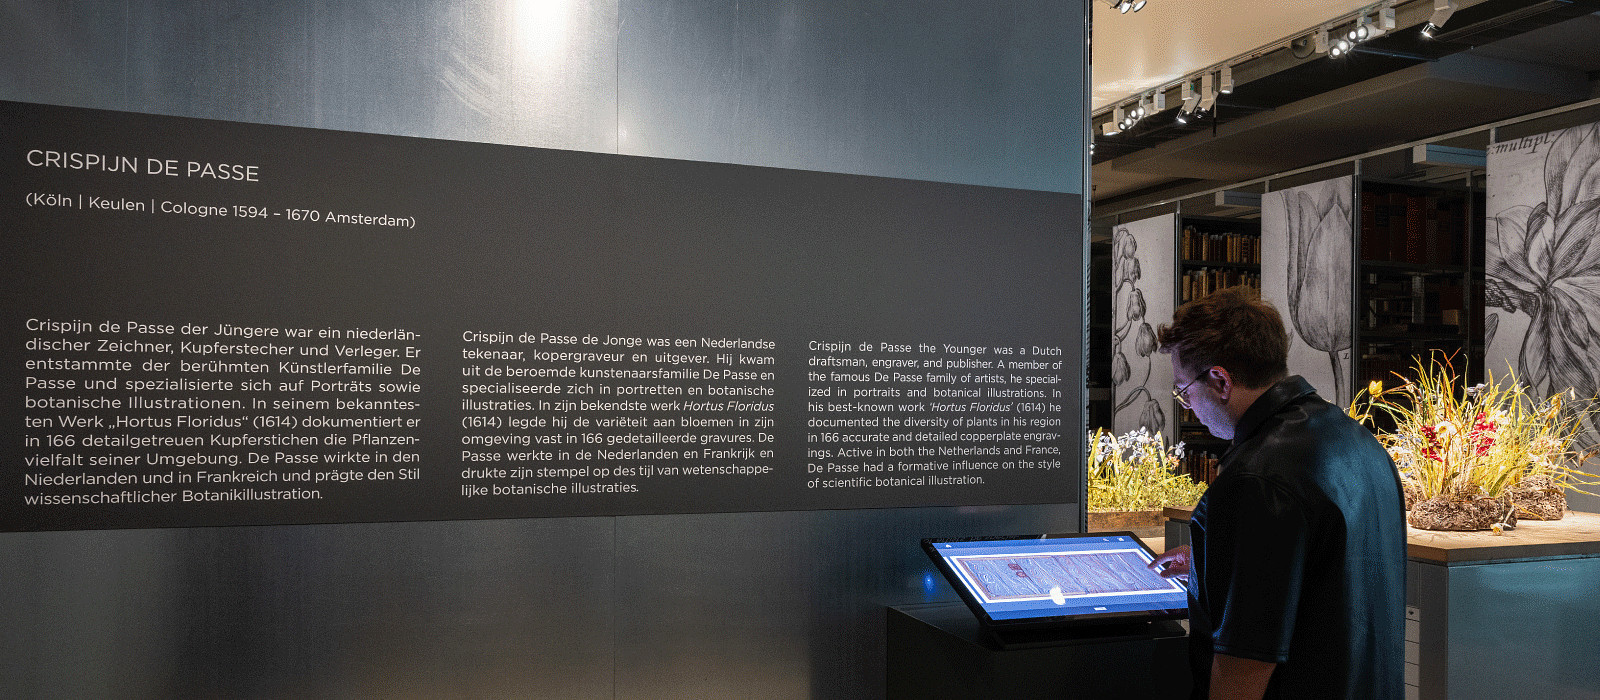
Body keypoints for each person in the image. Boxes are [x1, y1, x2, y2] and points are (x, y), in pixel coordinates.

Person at [1146, 286, 1405, 700]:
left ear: (1220, 381)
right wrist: (1221, 559)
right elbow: (1331, 570)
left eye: (1184, 390)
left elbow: (1244, 666)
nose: (1187, 406)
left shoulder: (1256, 478)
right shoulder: (1359, 442)